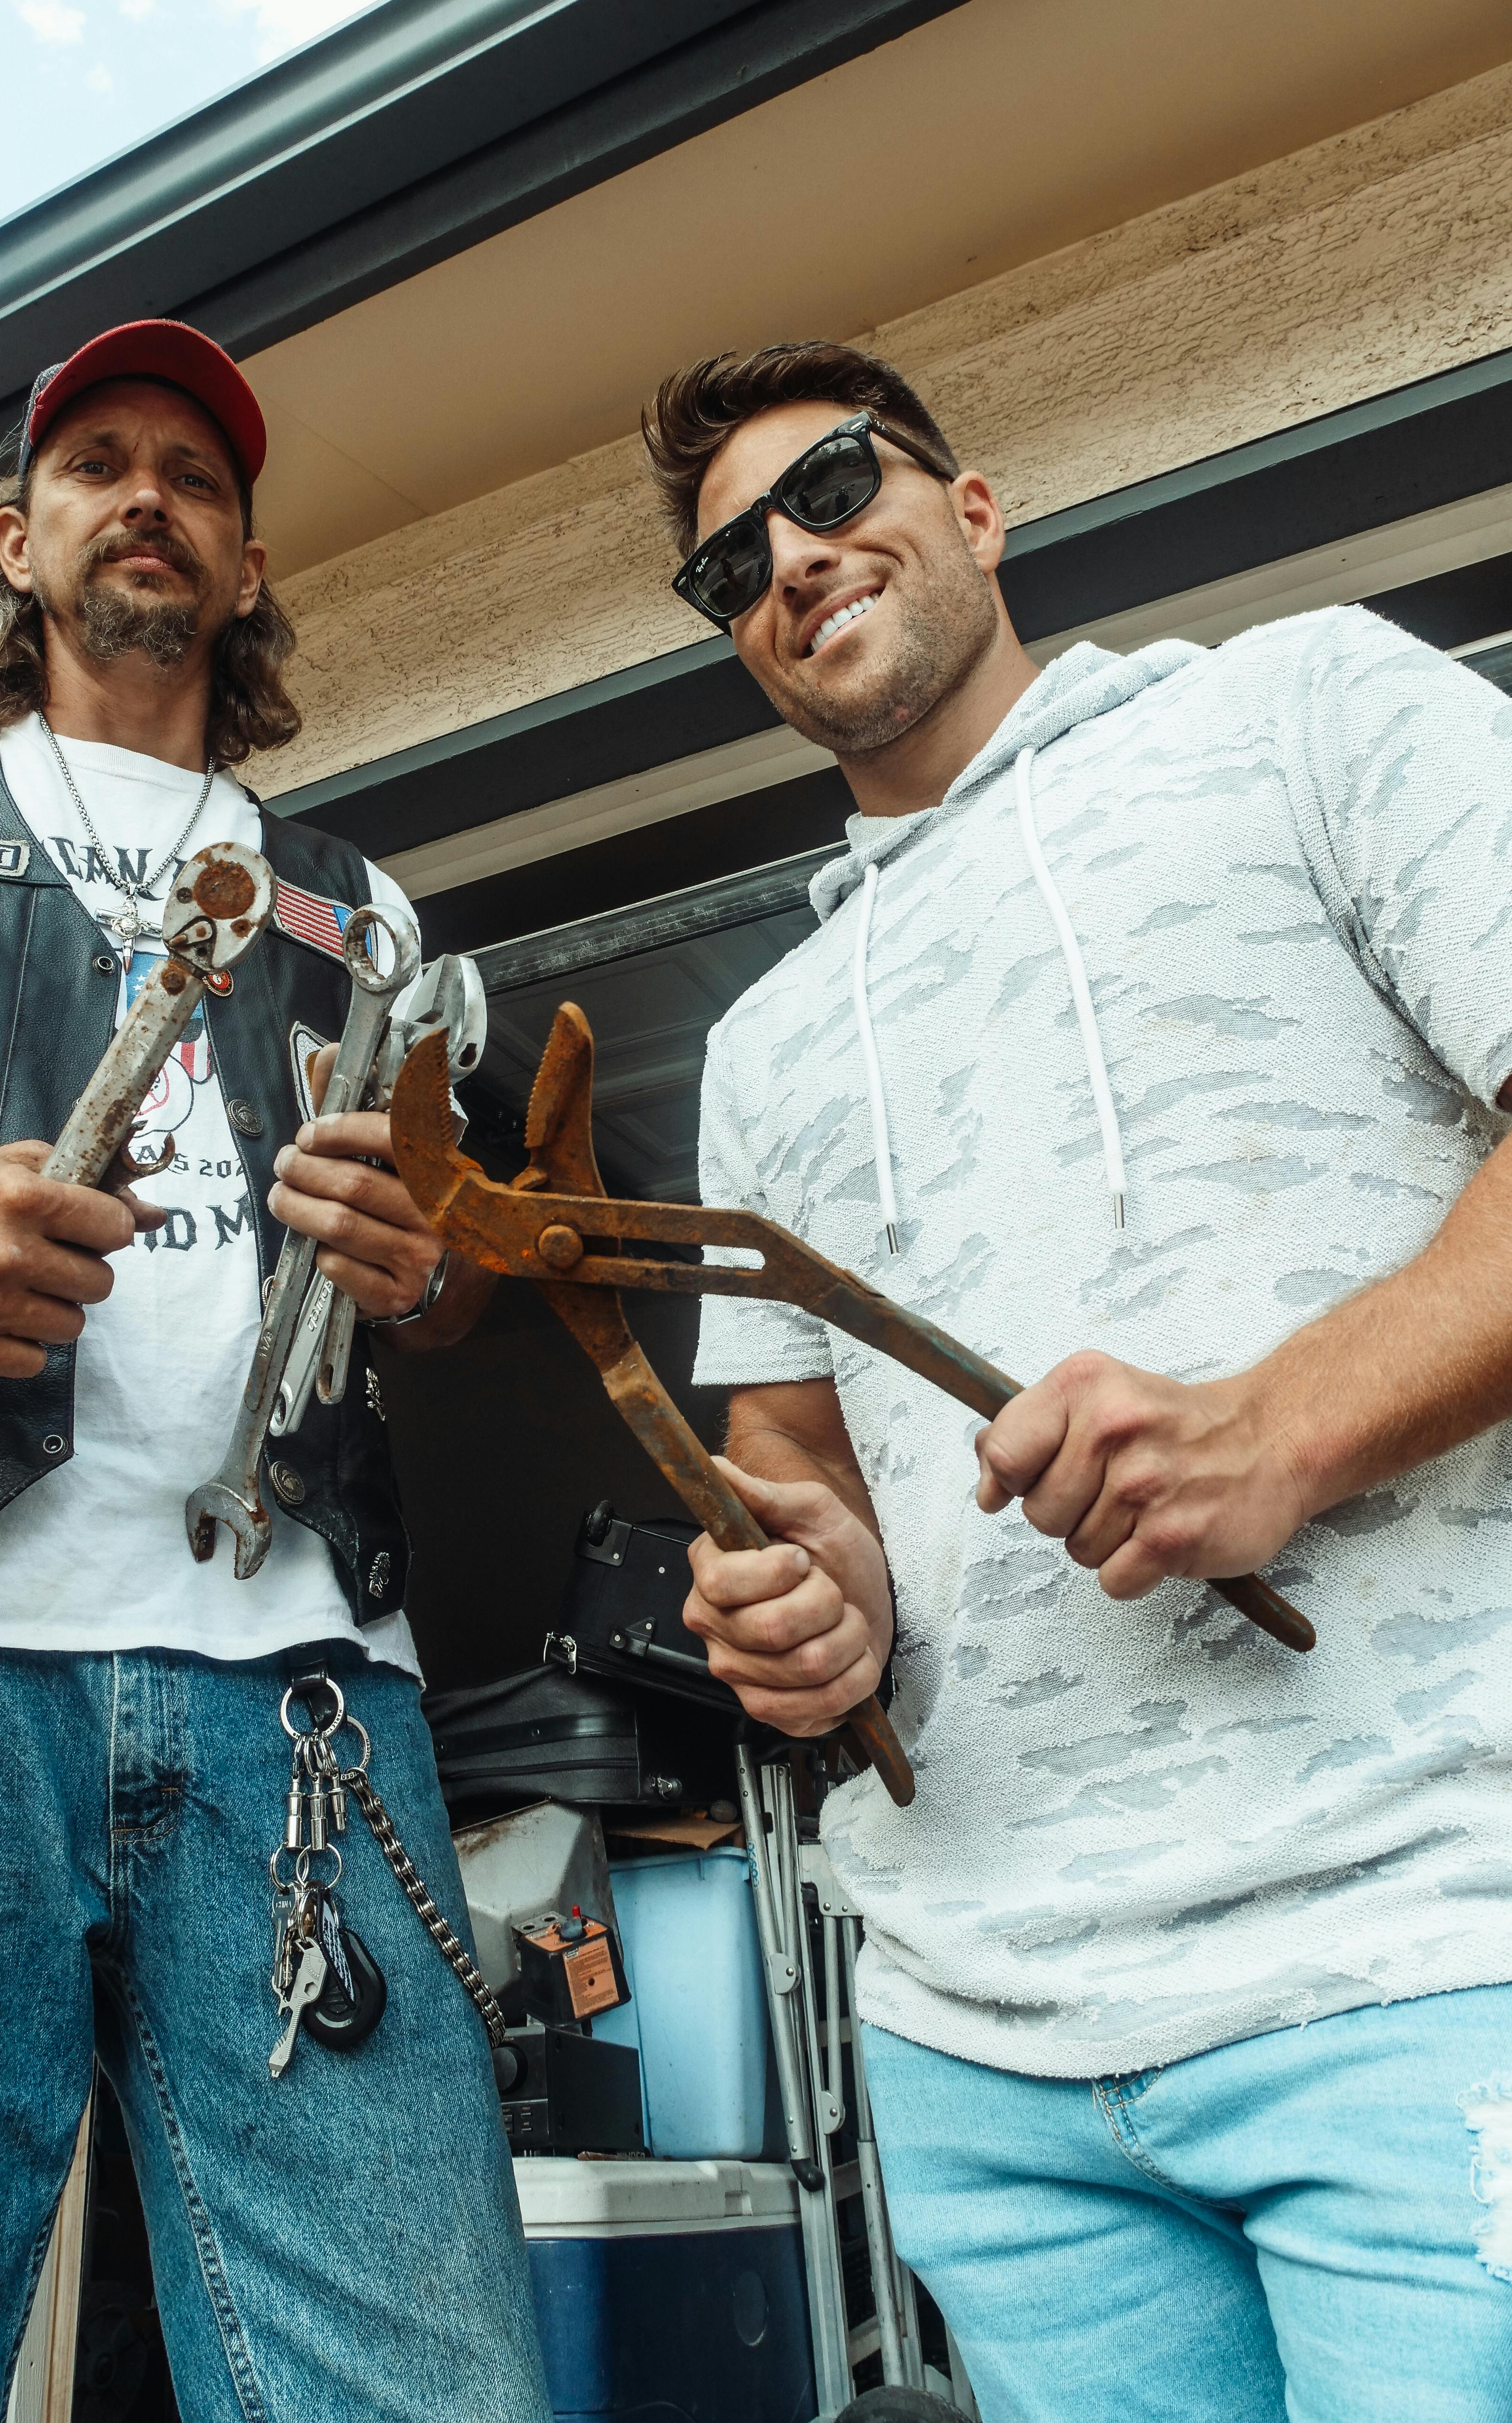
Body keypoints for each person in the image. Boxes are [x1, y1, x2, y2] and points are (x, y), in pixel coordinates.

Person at [0, 319, 549, 2423]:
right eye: (97, 464)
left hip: (307, 1703)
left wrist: (427, 1273)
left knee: (431, 2390)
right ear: (17, 535)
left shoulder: (367, 912)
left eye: (200, 477)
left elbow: (448, 1307)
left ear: (244, 571)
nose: (149, 492)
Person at [647, 339, 1512, 2421]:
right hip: (987, 2056)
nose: (791, 555)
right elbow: (796, 1463)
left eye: (834, 481)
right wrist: (806, 1600)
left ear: (974, 505)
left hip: (1422, 1954)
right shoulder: (765, 1043)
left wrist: (1285, 1422)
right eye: (729, 564)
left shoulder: (1303, 706)